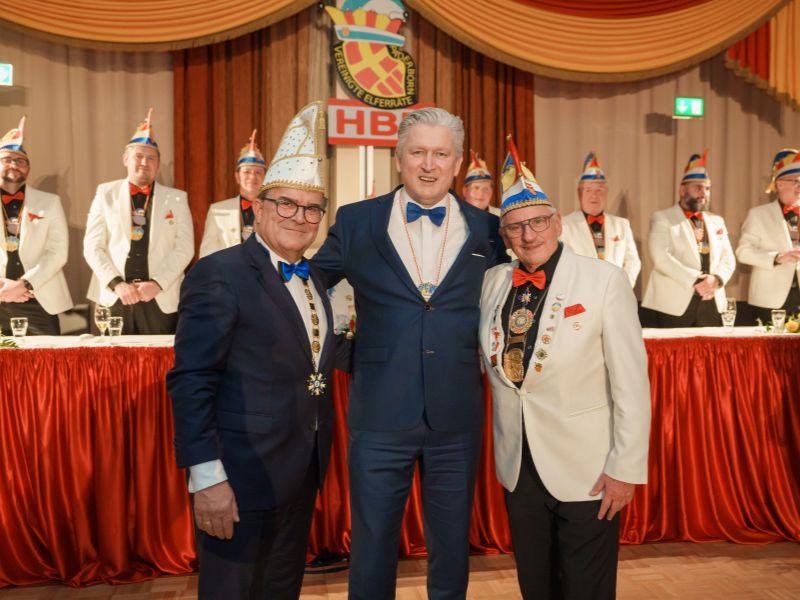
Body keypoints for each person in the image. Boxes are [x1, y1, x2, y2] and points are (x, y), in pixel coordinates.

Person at [313, 107, 508, 600]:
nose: (428, 165)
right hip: (379, 412)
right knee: (374, 544)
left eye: (440, 154)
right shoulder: (357, 221)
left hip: (456, 415)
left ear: (458, 162)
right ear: (398, 158)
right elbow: (310, 286)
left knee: (450, 545)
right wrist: (344, 353)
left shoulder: (490, 230)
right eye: (417, 152)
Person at [168, 102, 347, 600]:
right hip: (238, 480)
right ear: (260, 207)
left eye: (313, 208)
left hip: (300, 473)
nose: (300, 217)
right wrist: (206, 478)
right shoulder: (220, 272)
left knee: (279, 590)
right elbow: (192, 379)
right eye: (286, 204)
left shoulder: (316, 280)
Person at [480, 137, 650, 600]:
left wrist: (626, 467)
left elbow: (632, 385)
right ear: (504, 236)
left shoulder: (603, 280)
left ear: (557, 222)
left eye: (537, 222)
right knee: (536, 584)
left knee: (585, 588)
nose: (528, 235)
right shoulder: (493, 282)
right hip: (519, 465)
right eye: (515, 228)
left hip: (589, 468)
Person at [83, 108, 194, 334]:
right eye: (138, 156)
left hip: (160, 298)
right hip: (115, 298)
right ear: (126, 159)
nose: (144, 162)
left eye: (151, 157)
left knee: (160, 366)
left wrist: (158, 283)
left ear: (158, 164)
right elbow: (92, 247)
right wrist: (117, 284)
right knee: (112, 367)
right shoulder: (106, 193)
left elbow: (185, 248)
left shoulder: (177, 198)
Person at [641, 150, 735, 327]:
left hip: (711, 302)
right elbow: (661, 257)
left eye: (707, 189)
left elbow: (728, 258)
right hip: (673, 304)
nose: (704, 193)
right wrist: (697, 280)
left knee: (712, 354)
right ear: (682, 189)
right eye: (698, 187)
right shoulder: (662, 218)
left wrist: (716, 280)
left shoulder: (717, 221)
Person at [0, 116, 72, 335]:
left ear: (28, 168)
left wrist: (24, 285)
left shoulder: (50, 202)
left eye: (20, 161)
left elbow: (58, 252)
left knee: (46, 366)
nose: (14, 165)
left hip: (38, 298)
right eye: (7, 159)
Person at [736, 148, 800, 322]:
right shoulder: (759, 214)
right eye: (796, 182)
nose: (799, 187)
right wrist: (777, 258)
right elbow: (743, 252)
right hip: (772, 298)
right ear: (780, 184)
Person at [559, 152, 641, 287]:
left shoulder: (622, 224)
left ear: (607, 193)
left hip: (616, 293)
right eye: (588, 190)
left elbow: (633, 261)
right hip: (580, 295)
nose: (594, 196)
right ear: (579, 194)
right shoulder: (564, 225)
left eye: (599, 190)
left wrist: (623, 286)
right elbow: (562, 263)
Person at [199, 130, 267, 257]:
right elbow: (207, 255)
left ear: (265, 178)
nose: (252, 177)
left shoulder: (273, 211)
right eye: (247, 172)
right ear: (237, 177)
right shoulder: (217, 210)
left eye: (258, 172)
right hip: (228, 275)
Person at [461, 149, 499, 215]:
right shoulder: (454, 216)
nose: (481, 194)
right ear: (465, 191)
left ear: (492, 192)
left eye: (486, 189)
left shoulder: (501, 217)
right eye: (476, 188)